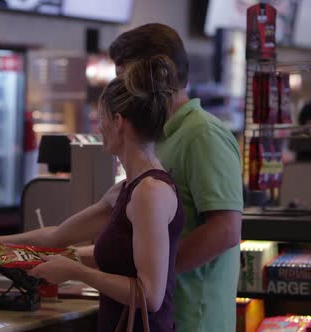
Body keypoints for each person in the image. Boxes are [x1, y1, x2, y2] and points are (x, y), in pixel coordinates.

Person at [0, 56, 185, 331]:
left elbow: (149, 295)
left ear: (118, 121)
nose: (98, 127)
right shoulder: (127, 188)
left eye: (101, 118)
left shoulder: (149, 192)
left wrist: (75, 271)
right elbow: (58, 236)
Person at [108, 24, 243, 331]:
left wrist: (154, 276)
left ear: (157, 74)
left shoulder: (202, 133)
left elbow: (225, 229)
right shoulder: (158, 135)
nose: (121, 94)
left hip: (194, 319)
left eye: (124, 81)